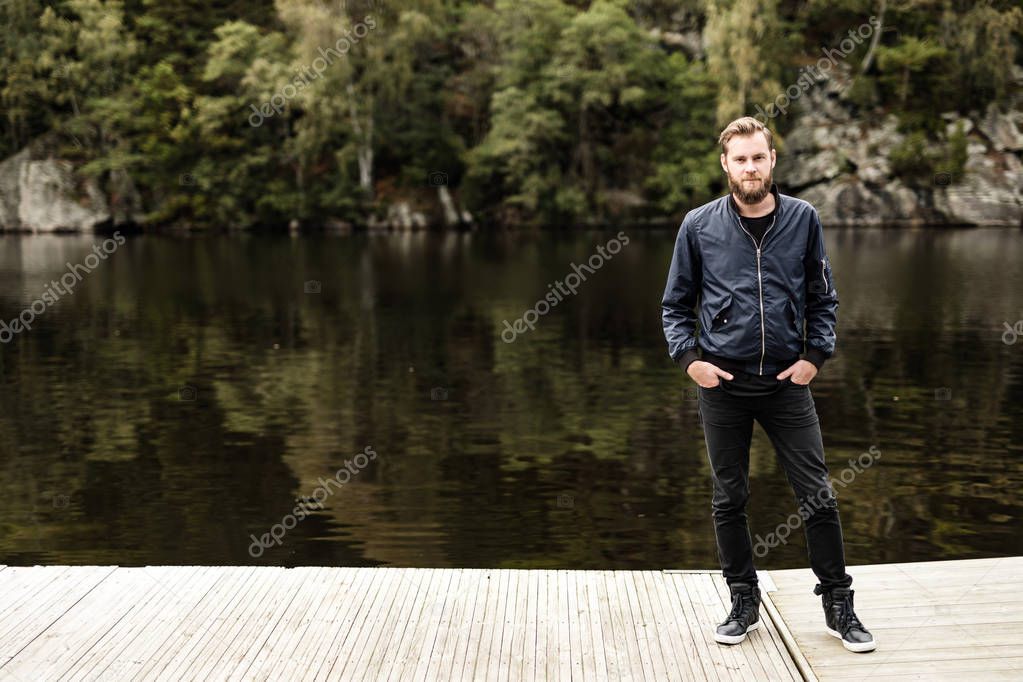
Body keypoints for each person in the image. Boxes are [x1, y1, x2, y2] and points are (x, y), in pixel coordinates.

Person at [660, 116, 875, 653]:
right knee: (729, 498)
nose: (750, 168)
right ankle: (743, 599)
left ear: (772, 161)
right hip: (722, 384)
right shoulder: (699, 225)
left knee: (818, 495)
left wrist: (815, 356)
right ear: (725, 165)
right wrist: (691, 362)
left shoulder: (803, 219)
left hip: (785, 383)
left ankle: (838, 603)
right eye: (740, 159)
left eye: (759, 158)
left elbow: (823, 299)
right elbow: (675, 306)